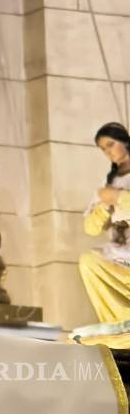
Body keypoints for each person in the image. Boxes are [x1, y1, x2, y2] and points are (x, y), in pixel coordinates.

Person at [79, 122, 130, 326]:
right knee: (88, 261)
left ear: (125, 141)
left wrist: (118, 197)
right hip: (122, 251)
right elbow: (90, 228)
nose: (108, 152)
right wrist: (104, 208)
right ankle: (119, 322)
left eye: (110, 144)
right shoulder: (108, 182)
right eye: (103, 149)